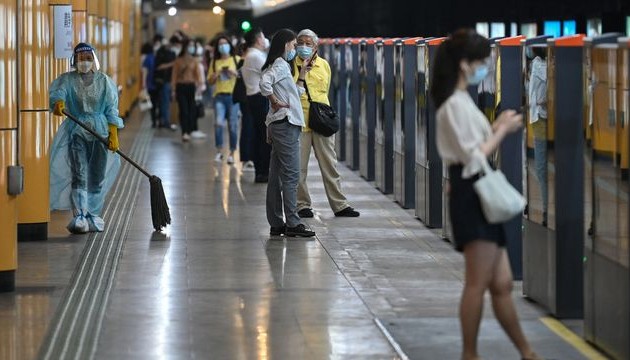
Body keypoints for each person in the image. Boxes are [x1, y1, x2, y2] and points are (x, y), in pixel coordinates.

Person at [430, 29, 541, 360]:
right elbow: (472, 156)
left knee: (503, 283)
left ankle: (527, 352)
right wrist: (502, 131)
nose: (485, 67)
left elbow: (472, 147)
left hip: (478, 191)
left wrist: (495, 128)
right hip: (471, 193)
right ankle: (470, 353)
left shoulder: (461, 100)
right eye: (481, 62)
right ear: (465, 65)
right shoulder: (452, 104)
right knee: (477, 283)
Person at [49, 42, 124, 234]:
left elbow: (111, 108)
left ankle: (93, 213)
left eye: (88, 58)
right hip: (77, 131)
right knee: (79, 173)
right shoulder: (67, 80)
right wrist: (58, 102)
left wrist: (113, 132)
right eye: (81, 59)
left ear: (94, 60)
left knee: (97, 175)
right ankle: (80, 214)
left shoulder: (104, 81)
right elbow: (58, 93)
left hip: (100, 133)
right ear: (75, 61)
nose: (85, 62)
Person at [293, 29, 360, 218]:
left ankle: (340, 205)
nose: (304, 47)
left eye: (308, 43)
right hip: (300, 122)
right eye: (300, 43)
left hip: (322, 121)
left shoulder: (324, 65)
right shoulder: (291, 65)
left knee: (330, 164)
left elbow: (326, 90)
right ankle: (302, 205)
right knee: (299, 168)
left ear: (316, 46)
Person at [259, 29, 315, 238]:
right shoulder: (280, 65)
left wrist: (301, 76)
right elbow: (264, 83)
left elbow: (292, 94)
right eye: (292, 45)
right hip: (286, 124)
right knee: (291, 175)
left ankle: (276, 222)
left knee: (276, 177)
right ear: (284, 45)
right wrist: (273, 100)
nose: (294, 49)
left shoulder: (280, 66)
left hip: (279, 124)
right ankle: (293, 222)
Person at [242, 28, 272, 182]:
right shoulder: (255, 56)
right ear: (258, 39)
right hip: (259, 98)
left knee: (260, 134)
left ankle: (261, 171)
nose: (265, 39)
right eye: (263, 36)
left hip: (255, 97)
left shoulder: (253, 55)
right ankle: (263, 171)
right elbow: (271, 73)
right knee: (264, 136)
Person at [207, 35, 240, 164]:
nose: (223, 46)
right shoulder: (214, 62)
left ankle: (232, 153)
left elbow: (242, 77)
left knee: (233, 125)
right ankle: (219, 151)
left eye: (225, 43)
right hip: (219, 96)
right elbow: (209, 81)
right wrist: (216, 74)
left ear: (230, 45)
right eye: (220, 44)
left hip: (233, 97)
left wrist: (234, 73)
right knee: (218, 123)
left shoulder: (236, 60)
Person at [526, 46, 548, 227]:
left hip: (541, 120)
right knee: (539, 167)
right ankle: (542, 205)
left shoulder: (539, 66)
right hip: (538, 119)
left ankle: (546, 207)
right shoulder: (538, 66)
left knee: (540, 167)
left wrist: (544, 100)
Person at [172, 38, 202, 142]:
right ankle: (184, 132)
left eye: (193, 46)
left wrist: (199, 86)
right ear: (185, 47)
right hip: (181, 86)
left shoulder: (194, 60)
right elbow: (174, 76)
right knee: (183, 110)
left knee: (191, 109)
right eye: (190, 45)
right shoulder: (178, 60)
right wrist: (174, 89)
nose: (191, 48)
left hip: (191, 86)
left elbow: (197, 75)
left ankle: (189, 130)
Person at [154, 36, 181, 130]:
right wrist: (173, 64)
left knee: (167, 102)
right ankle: (165, 122)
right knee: (165, 102)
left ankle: (164, 120)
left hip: (170, 80)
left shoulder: (172, 53)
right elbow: (158, 67)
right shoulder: (161, 52)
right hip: (163, 81)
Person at [140, 42, 159, 127]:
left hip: (150, 84)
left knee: (152, 104)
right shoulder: (156, 57)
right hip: (158, 83)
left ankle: (154, 120)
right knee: (157, 102)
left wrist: (144, 83)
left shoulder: (147, 58)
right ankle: (158, 119)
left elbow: (144, 71)